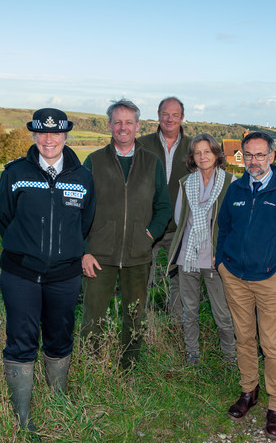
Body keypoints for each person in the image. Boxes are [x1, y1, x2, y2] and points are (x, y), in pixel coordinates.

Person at [0, 108, 95, 434]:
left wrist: (66, 251)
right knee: (21, 342)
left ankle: (58, 403)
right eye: (41, 133)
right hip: (21, 273)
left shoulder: (83, 177)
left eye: (55, 133)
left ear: (66, 136)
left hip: (64, 276)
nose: (48, 139)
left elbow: (85, 221)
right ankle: (23, 419)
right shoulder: (15, 172)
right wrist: (27, 248)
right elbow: (4, 218)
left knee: (59, 338)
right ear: (34, 135)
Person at [216, 132, 276, 440]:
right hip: (235, 276)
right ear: (243, 156)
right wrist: (221, 262)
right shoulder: (236, 188)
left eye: (260, 155)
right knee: (243, 338)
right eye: (249, 155)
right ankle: (248, 392)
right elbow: (224, 226)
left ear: (271, 156)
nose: (254, 161)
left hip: (270, 280)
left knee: (271, 345)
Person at [80, 99, 171, 369]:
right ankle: (92, 367)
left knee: (135, 315)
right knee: (93, 315)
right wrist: (84, 250)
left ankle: (128, 367)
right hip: (99, 254)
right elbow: (79, 208)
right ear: (109, 126)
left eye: (128, 122)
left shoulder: (151, 162)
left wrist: (148, 235)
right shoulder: (94, 161)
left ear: (138, 126)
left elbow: (164, 207)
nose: (123, 128)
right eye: (117, 122)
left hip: (138, 253)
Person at [167, 133, 236, 365]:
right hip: (188, 256)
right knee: (190, 311)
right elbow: (179, 218)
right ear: (192, 157)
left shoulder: (230, 182)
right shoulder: (186, 183)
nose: (202, 156)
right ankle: (192, 355)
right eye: (197, 152)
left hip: (216, 258)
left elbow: (234, 223)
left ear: (217, 154)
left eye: (207, 151)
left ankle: (230, 357)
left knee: (222, 312)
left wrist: (224, 250)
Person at [139, 97, 192, 323]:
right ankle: (138, 325)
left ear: (182, 118)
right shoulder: (141, 144)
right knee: (140, 277)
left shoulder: (194, 147)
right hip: (147, 226)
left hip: (180, 228)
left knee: (180, 279)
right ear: (158, 115)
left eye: (175, 115)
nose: (169, 119)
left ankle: (177, 325)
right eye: (165, 114)